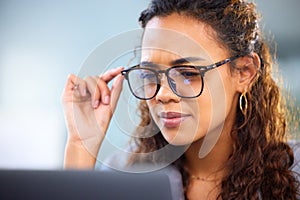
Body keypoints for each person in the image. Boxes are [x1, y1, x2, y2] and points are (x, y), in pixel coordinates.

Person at [62, 0, 299, 199]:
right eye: (148, 74)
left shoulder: (293, 173)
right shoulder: (125, 171)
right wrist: (81, 145)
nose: (163, 94)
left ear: (244, 73)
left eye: (188, 74)